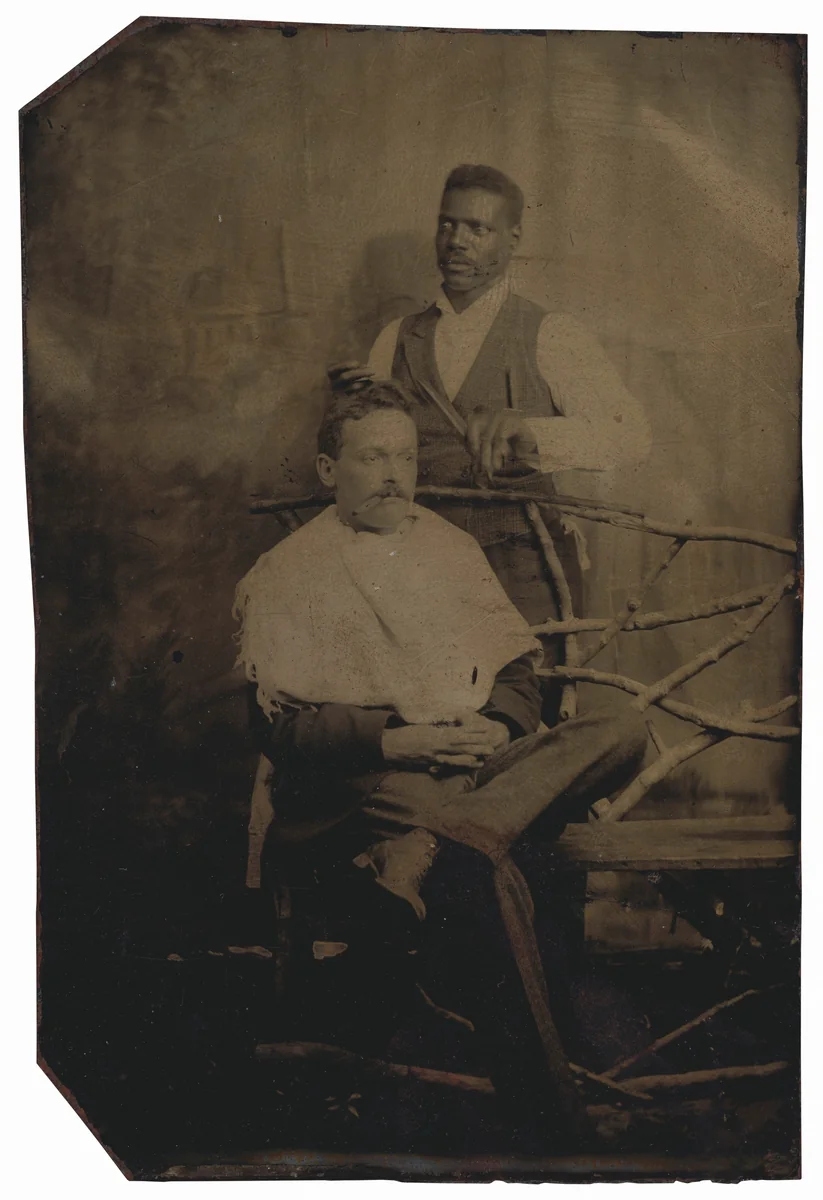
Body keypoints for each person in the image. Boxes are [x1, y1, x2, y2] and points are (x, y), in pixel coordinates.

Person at [234, 383, 647, 1145]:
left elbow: (519, 675)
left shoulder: (450, 550)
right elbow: (281, 732)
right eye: (371, 457)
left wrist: (495, 726)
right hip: (371, 785)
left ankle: (434, 843)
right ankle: (553, 1120)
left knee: (621, 727)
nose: (394, 473)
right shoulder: (290, 569)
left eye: (405, 455)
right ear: (329, 471)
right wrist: (395, 740)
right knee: (481, 864)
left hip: (475, 770)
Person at [328, 164, 652, 720]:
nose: (457, 243)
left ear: (513, 239)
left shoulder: (551, 333)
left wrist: (533, 433)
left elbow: (632, 437)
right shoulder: (396, 338)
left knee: (524, 718)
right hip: (417, 566)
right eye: (447, 225)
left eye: (477, 229)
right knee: (429, 716)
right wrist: (348, 410)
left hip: (522, 566)